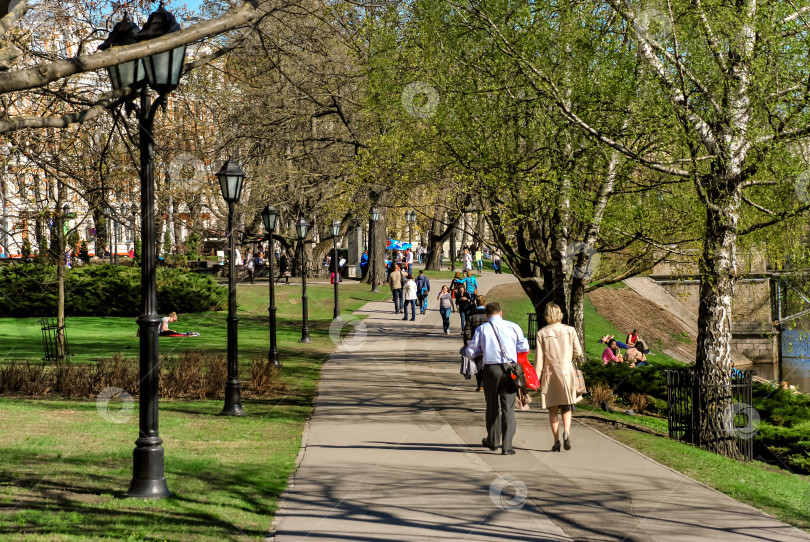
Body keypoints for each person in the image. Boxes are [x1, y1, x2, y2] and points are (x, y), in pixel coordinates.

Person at [462, 302, 530, 455]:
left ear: (487, 315)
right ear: (501, 312)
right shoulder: (513, 327)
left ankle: (493, 441)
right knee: (508, 408)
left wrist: (480, 352)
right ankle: (507, 446)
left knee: (492, 406)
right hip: (509, 369)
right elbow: (524, 347)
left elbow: (470, 351)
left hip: (491, 370)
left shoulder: (482, 329)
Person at [535, 302, 582, 452]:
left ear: (547, 316)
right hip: (567, 370)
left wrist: (536, 378)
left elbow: (539, 360)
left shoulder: (541, 334)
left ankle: (556, 440)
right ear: (560, 314)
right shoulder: (570, 330)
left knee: (553, 408)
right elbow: (578, 352)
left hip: (550, 371)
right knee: (567, 406)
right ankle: (566, 432)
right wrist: (569, 358)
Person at [465, 295, 488, 392]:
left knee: (478, 364)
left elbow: (467, 330)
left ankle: (480, 385)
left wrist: (466, 342)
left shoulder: (471, 314)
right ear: (484, 302)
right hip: (488, 342)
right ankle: (486, 383)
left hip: (476, 342)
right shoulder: (488, 314)